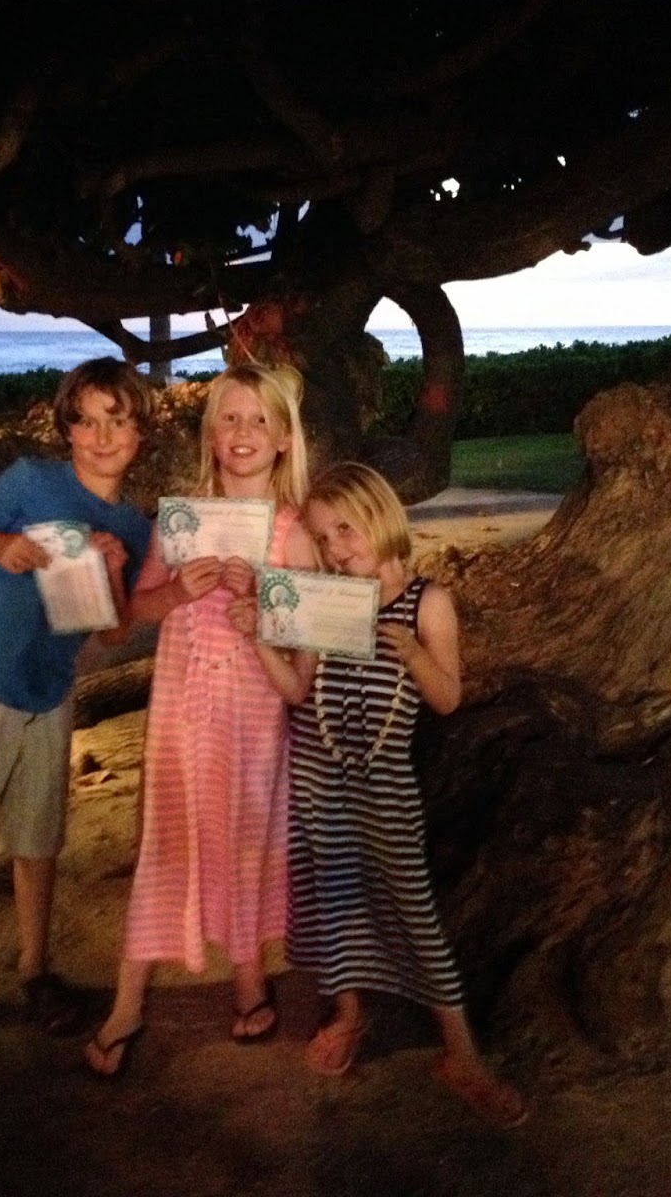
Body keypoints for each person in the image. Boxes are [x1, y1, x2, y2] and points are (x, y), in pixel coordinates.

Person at [236, 461, 531, 1129]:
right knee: (333, 902)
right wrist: (260, 638)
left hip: (386, 787)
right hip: (318, 777)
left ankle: (461, 1053)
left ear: (381, 516)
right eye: (323, 536)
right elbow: (299, 691)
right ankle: (350, 1014)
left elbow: (447, 698)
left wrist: (415, 655)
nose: (337, 547)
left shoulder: (428, 602)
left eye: (346, 528)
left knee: (413, 911)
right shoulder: (325, 598)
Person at [0, 357, 154, 1042]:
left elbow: (112, 631)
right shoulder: (32, 481)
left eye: (117, 421)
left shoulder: (134, 527)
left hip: (50, 687)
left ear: (139, 432)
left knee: (38, 836)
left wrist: (111, 571)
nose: (101, 437)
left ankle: (36, 968)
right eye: (86, 422)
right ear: (66, 428)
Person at [84, 362, 318, 1077]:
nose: (242, 432)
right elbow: (129, 617)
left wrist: (265, 602)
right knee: (167, 842)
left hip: (253, 719)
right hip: (183, 712)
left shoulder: (295, 532)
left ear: (284, 439)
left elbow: (308, 655)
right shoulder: (178, 521)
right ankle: (127, 1003)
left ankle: (249, 980)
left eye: (258, 420)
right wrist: (177, 591)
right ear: (211, 435)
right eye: (228, 418)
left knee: (245, 841)